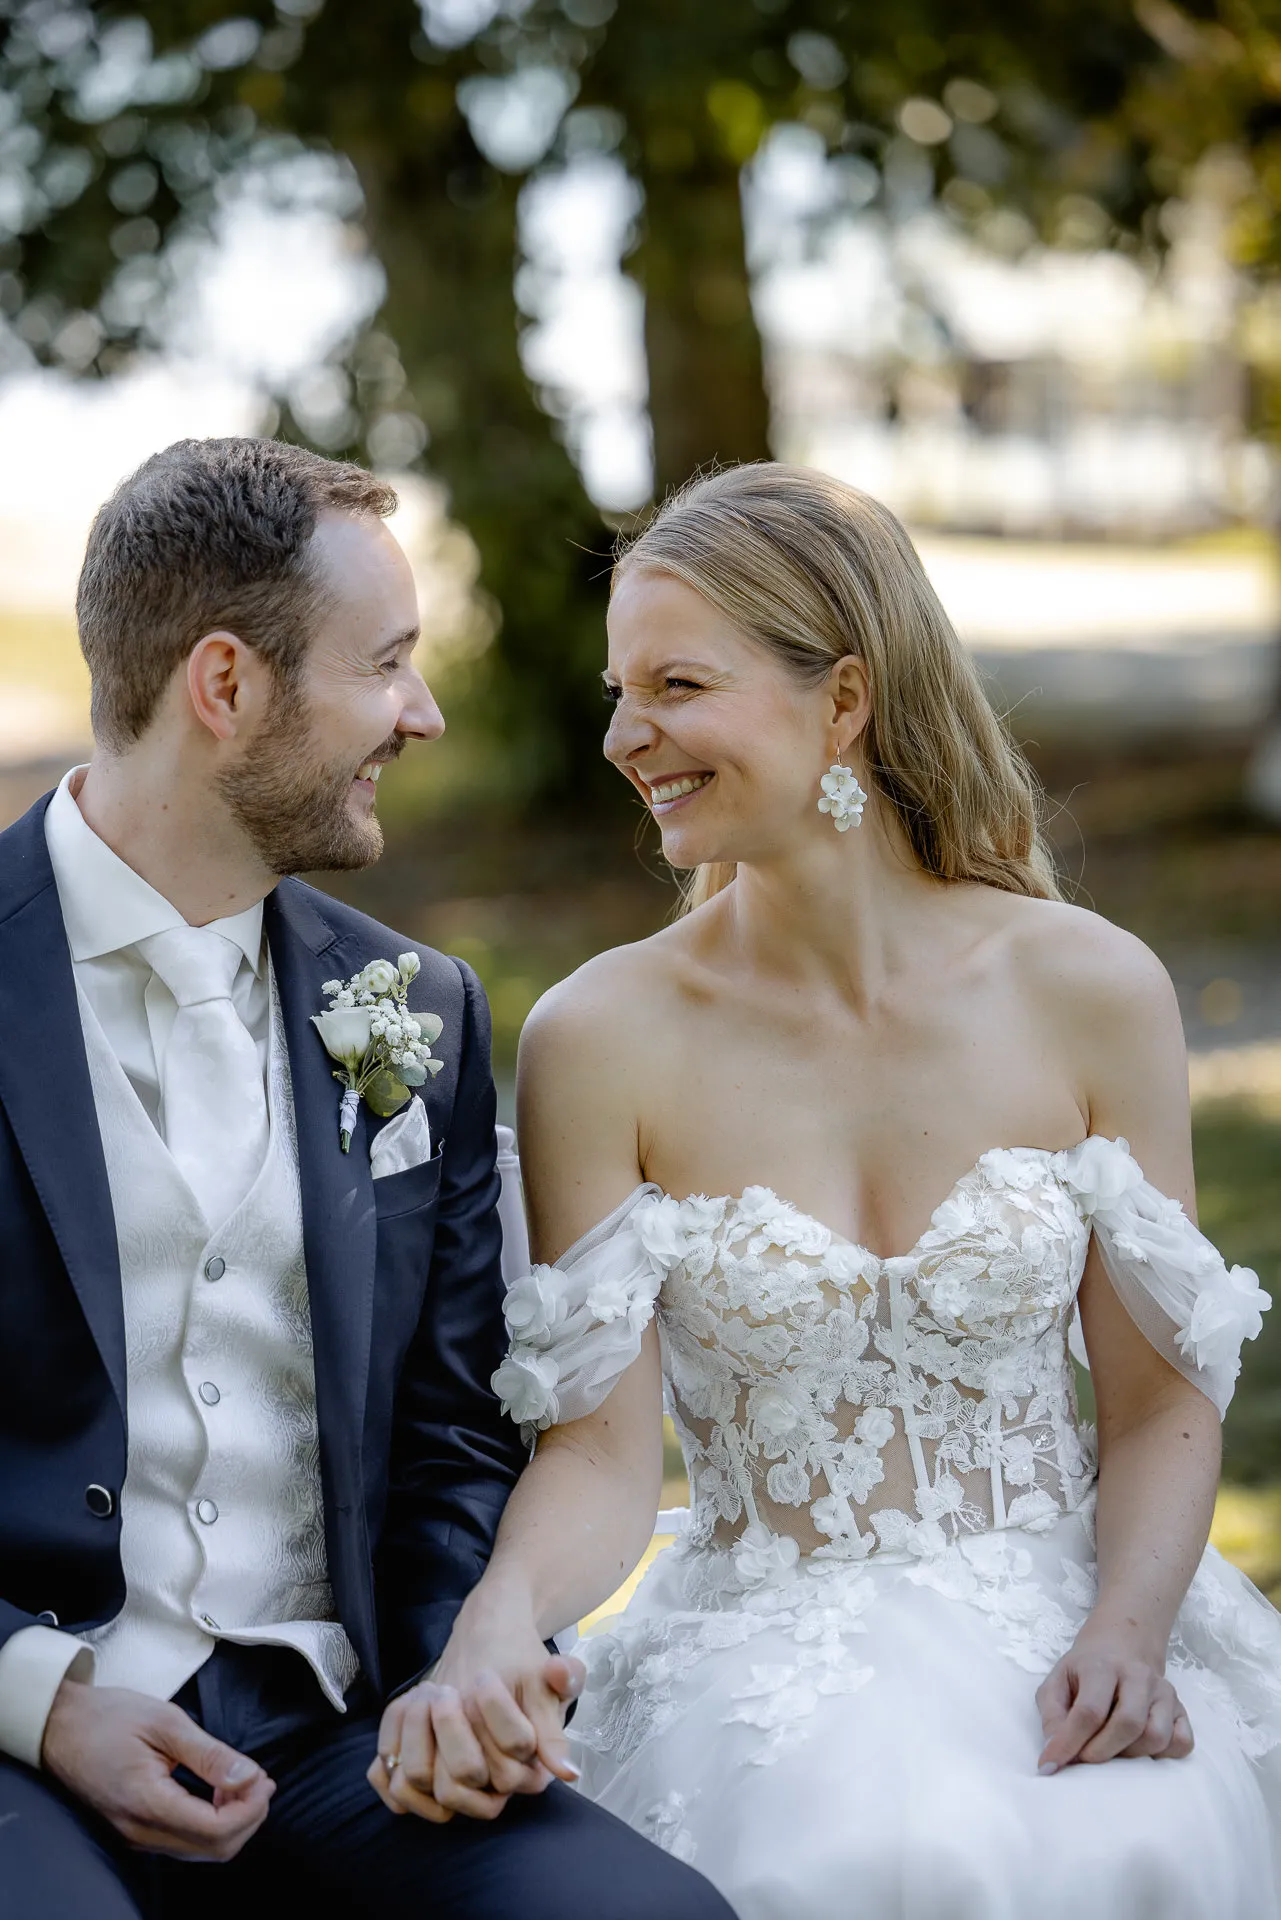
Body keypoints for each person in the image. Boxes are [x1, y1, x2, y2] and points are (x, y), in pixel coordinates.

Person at [415, 463, 1281, 1917]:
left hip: (1082, 1618)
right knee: (845, 1861)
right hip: (762, 1667)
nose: (624, 737)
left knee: (1121, 1839)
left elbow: (1158, 1404)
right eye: (621, 693)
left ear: (846, 701)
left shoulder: (1092, 990)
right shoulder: (597, 1036)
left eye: (678, 686)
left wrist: (1129, 1636)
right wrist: (497, 1622)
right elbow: (602, 1459)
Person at [0, 437, 735, 1920]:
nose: (424, 711)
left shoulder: (416, 1008)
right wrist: (42, 1700)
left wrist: (458, 1674)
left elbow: (454, 1434)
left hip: (343, 1738)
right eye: (386, 664)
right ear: (226, 685)